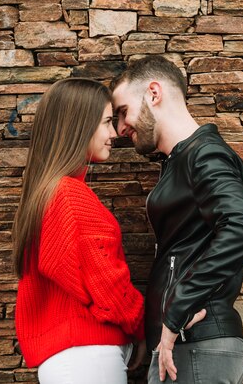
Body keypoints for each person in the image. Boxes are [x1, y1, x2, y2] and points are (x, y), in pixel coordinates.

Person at [110, 55, 243, 384]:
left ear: (153, 92)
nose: (121, 128)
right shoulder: (182, 159)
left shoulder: (203, 154)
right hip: (185, 347)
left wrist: (178, 308)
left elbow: (242, 229)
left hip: (194, 344)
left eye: (123, 112)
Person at [12, 78, 146, 383]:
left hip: (76, 356)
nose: (114, 133)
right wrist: (140, 324)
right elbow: (106, 285)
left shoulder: (49, 191)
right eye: (107, 122)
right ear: (78, 126)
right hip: (86, 355)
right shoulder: (70, 196)